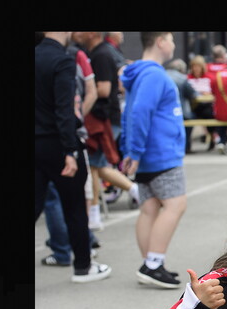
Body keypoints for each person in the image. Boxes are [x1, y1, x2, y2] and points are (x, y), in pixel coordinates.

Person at [34, 31, 111, 282]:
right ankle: (83, 266)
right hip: (59, 143)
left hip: (36, 142)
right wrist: (69, 150)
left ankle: (82, 263)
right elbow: (64, 109)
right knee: (75, 207)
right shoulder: (63, 60)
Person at [119, 32, 188, 289]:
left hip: (147, 153)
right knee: (175, 204)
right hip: (161, 153)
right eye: (170, 39)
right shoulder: (154, 74)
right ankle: (153, 264)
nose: (172, 44)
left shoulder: (140, 74)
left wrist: (131, 151)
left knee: (149, 208)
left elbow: (130, 113)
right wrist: (133, 151)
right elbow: (138, 113)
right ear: (160, 41)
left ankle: (151, 262)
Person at [72, 31, 137, 230]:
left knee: (92, 166)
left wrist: (85, 87)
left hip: (103, 120)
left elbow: (103, 89)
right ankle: (133, 190)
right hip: (104, 119)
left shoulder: (100, 55)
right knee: (97, 166)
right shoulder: (100, 52)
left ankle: (94, 215)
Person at [165, 58, 197, 154]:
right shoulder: (182, 78)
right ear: (182, 69)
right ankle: (186, 147)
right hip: (181, 112)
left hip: (165, 112)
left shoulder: (162, 75)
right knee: (192, 119)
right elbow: (193, 95)